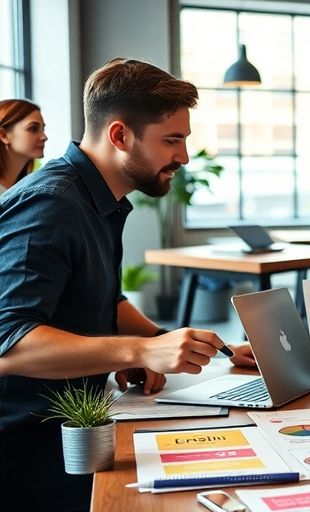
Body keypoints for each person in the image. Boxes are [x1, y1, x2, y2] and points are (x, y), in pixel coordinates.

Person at [0, 58, 232, 512]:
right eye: (172, 140)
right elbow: (9, 344)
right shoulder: (49, 205)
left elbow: (102, 297)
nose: (183, 157)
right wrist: (139, 351)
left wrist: (166, 340)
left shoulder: (100, 198)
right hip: (26, 451)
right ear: (120, 135)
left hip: (78, 425)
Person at [0, 99, 47, 193]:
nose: (44, 137)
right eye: (33, 128)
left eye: (43, 129)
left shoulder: (28, 188)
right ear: (3, 135)